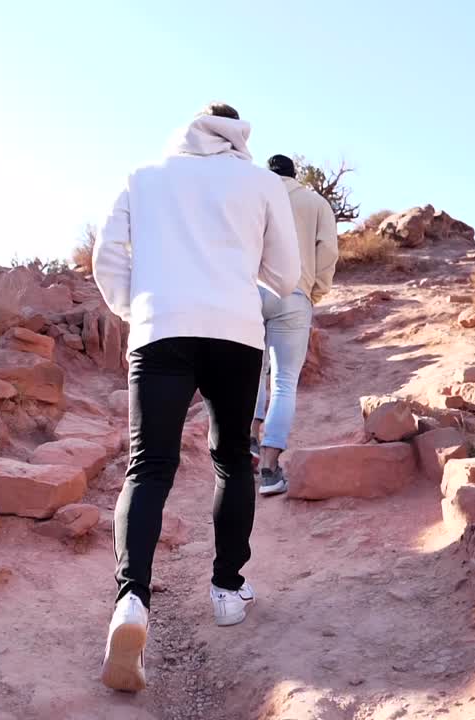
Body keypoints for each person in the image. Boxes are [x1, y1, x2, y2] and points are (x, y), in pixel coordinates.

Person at [92, 103, 301, 693]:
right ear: (240, 134)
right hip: (235, 333)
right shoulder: (261, 181)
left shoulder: (145, 175)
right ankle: (228, 591)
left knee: (149, 465)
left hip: (160, 332)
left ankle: (131, 601)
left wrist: (142, 311)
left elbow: (107, 257)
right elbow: (285, 274)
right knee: (232, 457)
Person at [251, 154, 339, 496]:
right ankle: (270, 472)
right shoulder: (314, 202)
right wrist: (315, 291)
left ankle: (249, 442)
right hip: (294, 292)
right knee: (285, 381)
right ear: (295, 174)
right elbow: (328, 250)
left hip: (251, 290)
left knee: (252, 372)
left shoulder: (253, 195)